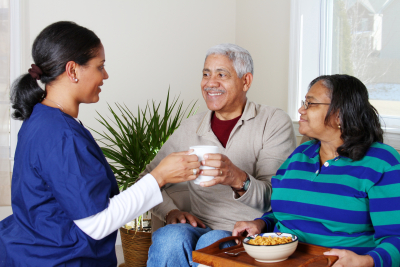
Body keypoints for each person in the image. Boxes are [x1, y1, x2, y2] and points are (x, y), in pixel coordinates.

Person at [0, 21, 201, 267]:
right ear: (72, 70)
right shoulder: (61, 134)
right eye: (100, 66)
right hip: (60, 259)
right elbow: (96, 222)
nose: (105, 75)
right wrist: (159, 176)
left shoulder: (41, 119)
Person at [144, 43, 297, 266]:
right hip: (198, 225)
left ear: (246, 81)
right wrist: (169, 211)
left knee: (214, 240)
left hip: (248, 230)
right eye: (206, 74)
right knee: (169, 237)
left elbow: (276, 198)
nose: (210, 83)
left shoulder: (273, 122)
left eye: (221, 74)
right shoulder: (190, 127)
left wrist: (237, 178)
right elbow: (147, 179)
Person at [233, 74, 400, 267]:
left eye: (310, 103)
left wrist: (366, 261)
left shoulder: (381, 162)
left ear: (339, 114)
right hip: (281, 260)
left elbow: (396, 237)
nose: (301, 110)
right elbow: (281, 211)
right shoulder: (300, 154)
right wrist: (261, 224)